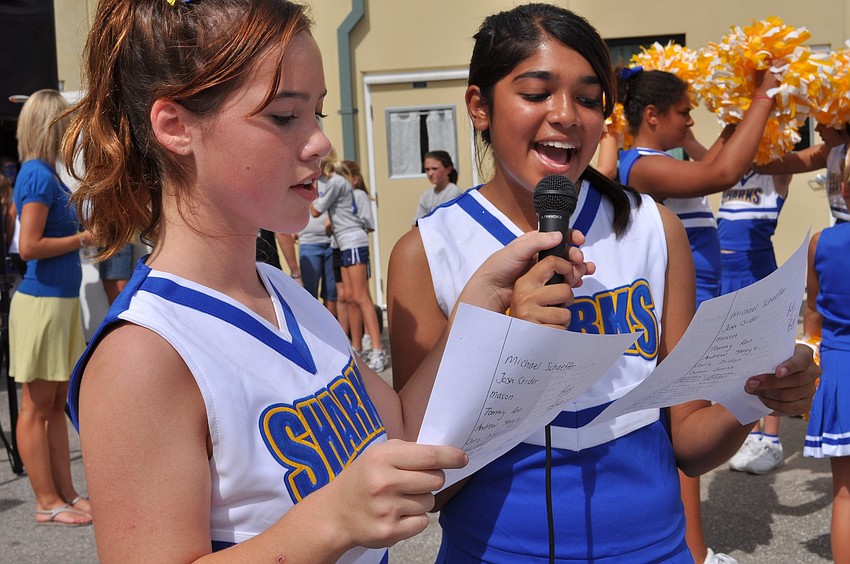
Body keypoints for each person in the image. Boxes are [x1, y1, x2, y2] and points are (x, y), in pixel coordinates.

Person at [62, 0, 571, 560]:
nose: (320, 143)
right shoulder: (143, 355)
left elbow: (399, 430)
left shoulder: (283, 294)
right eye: (284, 116)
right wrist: (330, 520)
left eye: (319, 114)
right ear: (176, 126)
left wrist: (478, 310)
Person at [387, 4, 818, 562]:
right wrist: (504, 348)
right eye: (537, 93)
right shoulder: (427, 251)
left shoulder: (652, 229)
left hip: (654, 549)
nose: (565, 115)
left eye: (589, 100)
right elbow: (429, 485)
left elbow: (687, 440)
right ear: (479, 106)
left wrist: (754, 390)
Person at [617, 66, 779, 563]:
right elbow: (722, 174)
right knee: (681, 435)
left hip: (697, 310)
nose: (691, 124)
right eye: (684, 115)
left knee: (688, 434)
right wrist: (766, 95)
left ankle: (693, 549)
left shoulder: (664, 157)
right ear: (652, 116)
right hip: (678, 316)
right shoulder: (640, 163)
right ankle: (695, 553)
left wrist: (737, 115)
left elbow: (720, 158)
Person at [716, 140, 835, 475]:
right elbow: (701, 153)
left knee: (769, 357)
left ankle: (772, 439)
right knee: (738, 359)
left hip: (759, 275)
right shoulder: (728, 170)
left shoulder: (775, 172)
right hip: (727, 278)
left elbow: (813, 156)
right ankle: (751, 435)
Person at [11, 89, 94, 526]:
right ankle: (47, 501)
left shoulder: (45, 174)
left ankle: (66, 493)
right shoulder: (38, 176)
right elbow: (29, 247)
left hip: (56, 302)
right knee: (37, 406)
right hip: (42, 303)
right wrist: (83, 238)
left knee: (56, 401)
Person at [803, 147, 850, 564]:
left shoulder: (821, 241)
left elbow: (813, 311)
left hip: (839, 369)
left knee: (845, 494)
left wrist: (813, 357)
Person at [312, 151, 387, 371]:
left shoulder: (336, 183)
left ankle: (377, 349)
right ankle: (356, 347)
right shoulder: (335, 183)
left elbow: (315, 211)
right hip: (343, 242)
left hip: (352, 240)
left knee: (361, 297)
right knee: (351, 297)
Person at [413, 150, 462, 222]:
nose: (430, 173)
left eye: (434, 169)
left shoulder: (453, 192)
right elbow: (416, 223)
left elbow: (443, 221)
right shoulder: (426, 195)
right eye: (427, 169)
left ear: (448, 169)